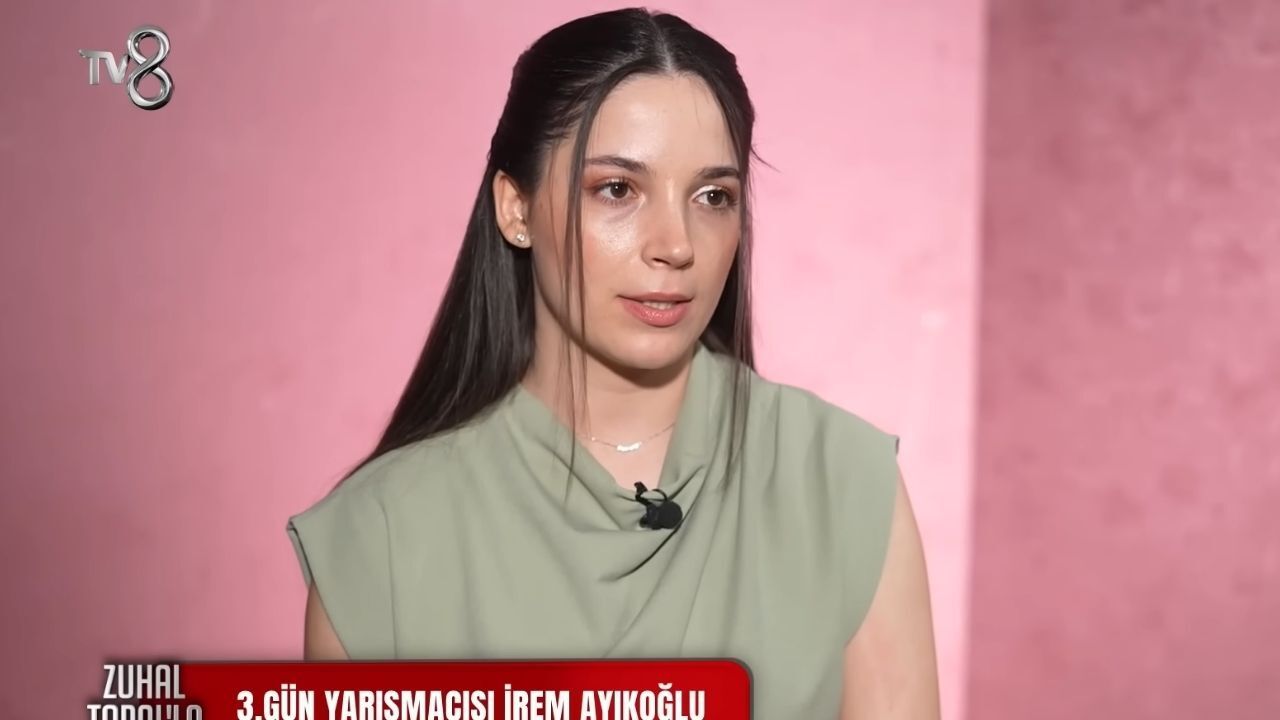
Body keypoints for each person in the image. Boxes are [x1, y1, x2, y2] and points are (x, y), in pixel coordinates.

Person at [286, 7, 940, 718]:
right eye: (618, 189)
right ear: (516, 209)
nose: (675, 244)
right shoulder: (382, 537)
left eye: (713, 196)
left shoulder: (841, 484)